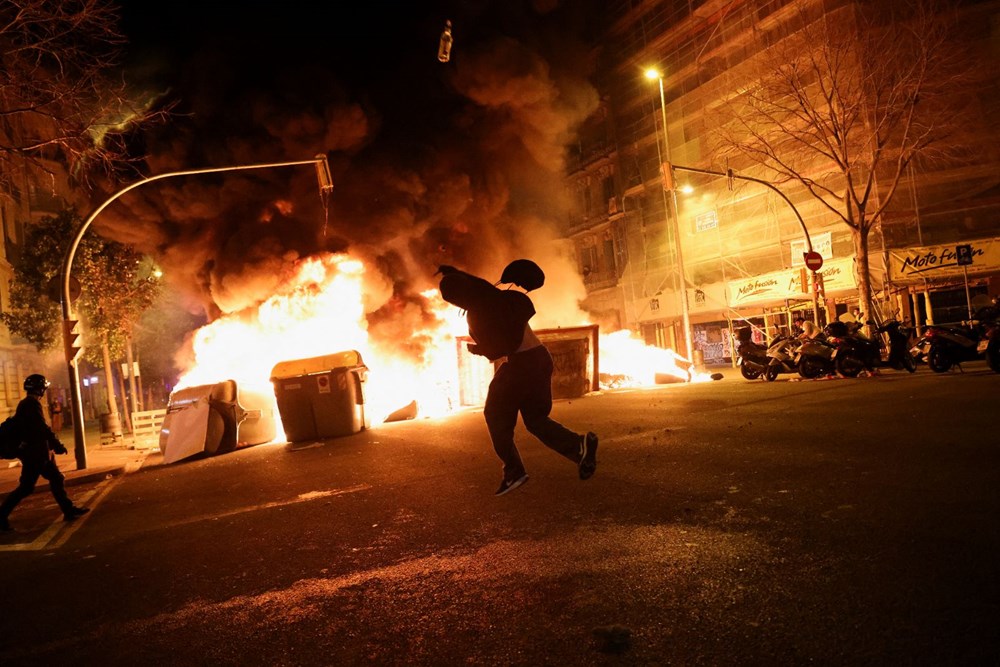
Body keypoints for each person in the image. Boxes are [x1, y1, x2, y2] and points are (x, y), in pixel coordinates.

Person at [437, 260, 599, 496]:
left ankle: (514, 471)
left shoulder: (480, 312)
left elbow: (504, 346)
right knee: (535, 419)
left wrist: (480, 349)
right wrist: (457, 273)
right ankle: (579, 446)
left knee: (494, 413)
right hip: (540, 358)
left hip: (522, 364)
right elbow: (490, 300)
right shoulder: (498, 296)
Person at [0, 374, 89, 531]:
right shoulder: (31, 404)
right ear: (40, 389)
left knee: (36, 484)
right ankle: (1, 517)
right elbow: (41, 428)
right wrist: (57, 445)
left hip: (34, 452)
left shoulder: (27, 404)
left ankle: (68, 510)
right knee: (42, 482)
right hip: (35, 453)